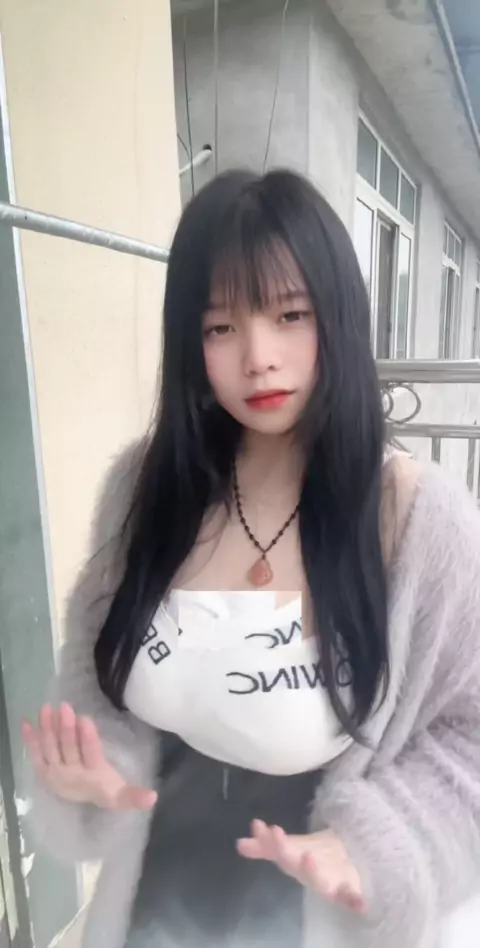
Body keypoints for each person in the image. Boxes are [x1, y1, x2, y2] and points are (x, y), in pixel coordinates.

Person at [23, 169, 480, 948]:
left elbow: (469, 733)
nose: (259, 358)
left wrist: (378, 844)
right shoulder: (144, 489)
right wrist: (94, 768)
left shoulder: (417, 519)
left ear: (338, 315)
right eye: (220, 328)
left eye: (290, 315)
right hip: (150, 915)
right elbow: (95, 680)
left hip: (321, 923)